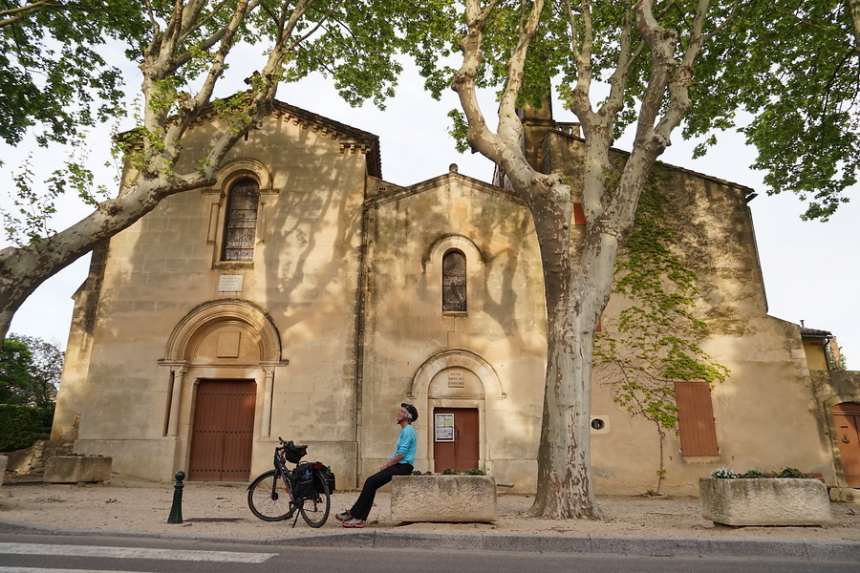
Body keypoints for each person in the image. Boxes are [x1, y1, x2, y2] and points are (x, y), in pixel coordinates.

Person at [336, 402, 418, 528]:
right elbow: (399, 453)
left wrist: (389, 464)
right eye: (399, 411)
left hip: (404, 467)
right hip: (400, 465)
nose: (398, 413)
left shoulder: (408, 430)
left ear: (408, 417)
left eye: (401, 412)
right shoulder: (406, 430)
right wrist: (388, 465)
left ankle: (356, 515)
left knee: (370, 482)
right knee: (371, 483)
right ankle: (357, 516)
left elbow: (402, 454)